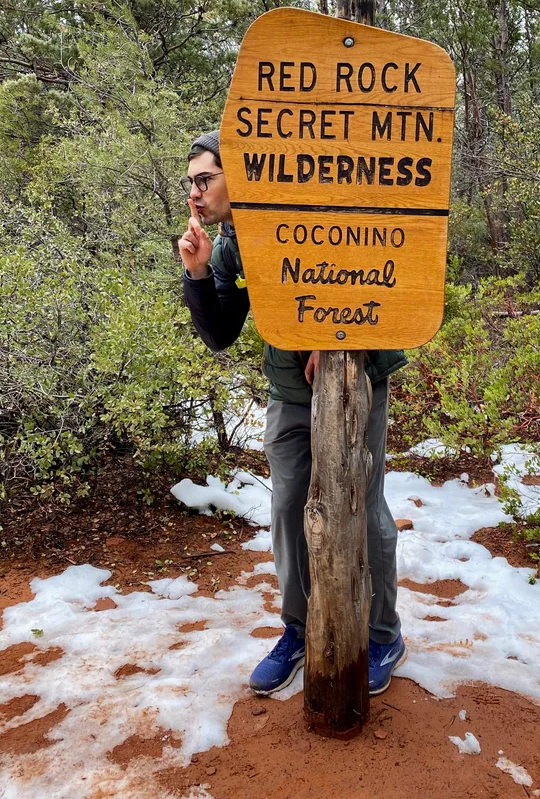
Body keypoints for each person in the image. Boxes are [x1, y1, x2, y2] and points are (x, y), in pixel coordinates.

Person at [178, 131, 408, 696]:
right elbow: (220, 334)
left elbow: (368, 270)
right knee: (287, 511)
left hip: (357, 378)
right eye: (191, 183)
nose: (195, 194)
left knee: (364, 504)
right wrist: (199, 273)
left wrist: (333, 336)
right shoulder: (230, 244)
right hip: (288, 389)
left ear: (239, 174)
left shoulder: (309, 208)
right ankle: (300, 630)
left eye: (204, 180)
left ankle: (383, 635)